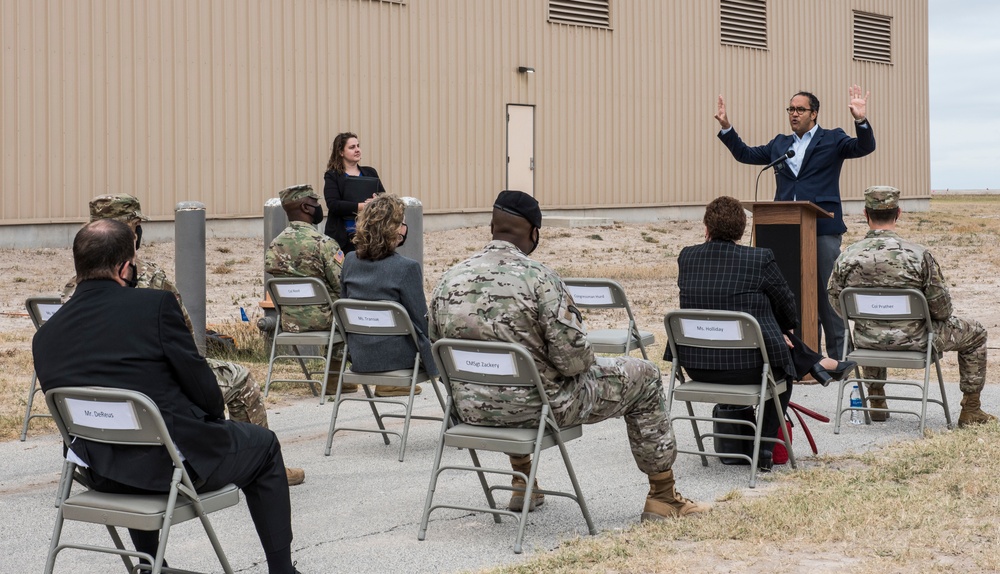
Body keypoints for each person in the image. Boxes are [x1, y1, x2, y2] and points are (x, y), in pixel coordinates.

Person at [33, 219, 302, 574]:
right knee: (265, 446)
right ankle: (283, 571)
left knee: (128, 447)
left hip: (99, 471)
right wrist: (205, 421)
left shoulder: (46, 336)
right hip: (171, 468)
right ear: (124, 267)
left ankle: (150, 567)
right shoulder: (153, 306)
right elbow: (206, 393)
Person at [429, 189, 709, 521]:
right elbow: (575, 361)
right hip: (541, 409)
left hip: (471, 409)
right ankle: (664, 496)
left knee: (513, 377)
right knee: (645, 375)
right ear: (534, 233)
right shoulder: (539, 279)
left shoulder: (447, 280)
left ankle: (523, 485)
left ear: (492, 226)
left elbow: (438, 356)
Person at [62, 194, 305, 486]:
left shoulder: (72, 288)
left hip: (90, 399)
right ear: (130, 230)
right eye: (137, 225)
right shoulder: (149, 276)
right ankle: (260, 464)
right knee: (241, 379)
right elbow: (185, 338)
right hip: (152, 387)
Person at [670, 196, 856, 469]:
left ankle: (815, 361)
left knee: (776, 341)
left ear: (706, 228)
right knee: (783, 362)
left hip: (696, 365)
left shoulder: (687, 257)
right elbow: (787, 304)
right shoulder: (759, 258)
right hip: (749, 367)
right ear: (742, 230)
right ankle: (765, 450)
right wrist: (781, 329)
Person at [714, 85, 876, 360]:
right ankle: (801, 358)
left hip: (823, 228)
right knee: (790, 296)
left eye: (800, 109)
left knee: (827, 295)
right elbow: (745, 154)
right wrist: (727, 127)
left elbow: (864, 147)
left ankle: (840, 360)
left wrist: (860, 119)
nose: (794, 114)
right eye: (791, 109)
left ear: (814, 114)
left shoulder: (832, 139)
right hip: (785, 231)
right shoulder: (780, 144)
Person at [828, 186, 995, 427]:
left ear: (866, 214)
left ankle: (876, 403)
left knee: (874, 328)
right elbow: (942, 309)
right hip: (917, 340)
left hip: (867, 340)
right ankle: (971, 409)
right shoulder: (918, 255)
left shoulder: (846, 256)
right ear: (899, 213)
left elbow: (837, 302)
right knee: (976, 332)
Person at [340, 193, 433, 397]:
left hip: (360, 357)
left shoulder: (349, 261)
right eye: (402, 223)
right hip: (399, 359)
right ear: (394, 230)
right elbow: (420, 320)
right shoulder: (407, 268)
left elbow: (344, 313)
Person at [265, 184, 352, 395]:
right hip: (325, 320)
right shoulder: (323, 243)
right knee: (349, 308)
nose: (320, 207)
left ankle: (336, 379)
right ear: (306, 207)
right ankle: (335, 377)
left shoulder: (275, 245)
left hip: (289, 321)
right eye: (316, 203)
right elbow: (342, 285)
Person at [322, 132, 387, 254]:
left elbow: (384, 200)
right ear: (341, 152)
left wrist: (376, 201)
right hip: (343, 238)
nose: (357, 150)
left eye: (358, 146)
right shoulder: (332, 176)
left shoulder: (371, 172)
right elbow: (333, 204)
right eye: (352, 147)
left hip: (370, 236)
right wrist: (362, 206)